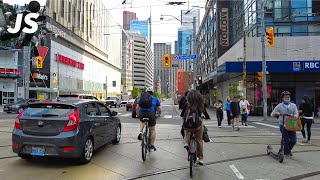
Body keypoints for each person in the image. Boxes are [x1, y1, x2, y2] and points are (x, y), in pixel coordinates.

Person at [271, 91, 299, 156]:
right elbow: (272, 114)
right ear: (282, 99)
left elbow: (296, 114)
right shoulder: (279, 106)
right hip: (283, 124)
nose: (287, 99)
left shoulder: (293, 105)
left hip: (291, 124)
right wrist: (276, 113)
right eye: (285, 98)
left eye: (288, 98)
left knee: (293, 140)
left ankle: (287, 150)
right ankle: (286, 152)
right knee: (285, 140)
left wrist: (293, 116)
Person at [182, 89, 205, 165]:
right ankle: (200, 158)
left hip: (187, 126)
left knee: (186, 132)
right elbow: (204, 113)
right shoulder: (200, 104)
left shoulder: (186, 104)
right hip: (197, 126)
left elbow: (182, 114)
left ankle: (186, 143)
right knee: (199, 139)